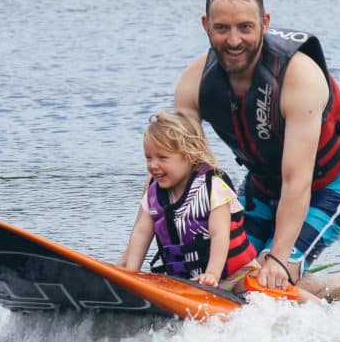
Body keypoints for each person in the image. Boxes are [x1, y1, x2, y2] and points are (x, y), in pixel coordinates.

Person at [174, 0, 340, 300]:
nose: (234, 41)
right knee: (229, 272)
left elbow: (297, 182)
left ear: (264, 23)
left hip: (327, 183)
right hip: (263, 183)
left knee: (270, 279)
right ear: (206, 25)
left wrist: (276, 259)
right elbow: (180, 175)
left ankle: (337, 286)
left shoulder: (299, 77)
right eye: (222, 28)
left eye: (245, 28)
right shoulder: (194, 85)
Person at [117, 111, 320, 301]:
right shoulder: (154, 192)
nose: (153, 165)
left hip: (236, 277)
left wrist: (212, 275)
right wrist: (129, 274)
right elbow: (141, 233)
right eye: (148, 157)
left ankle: (322, 306)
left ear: (190, 156)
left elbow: (219, 235)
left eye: (162, 158)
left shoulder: (213, 187)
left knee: (276, 293)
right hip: (185, 281)